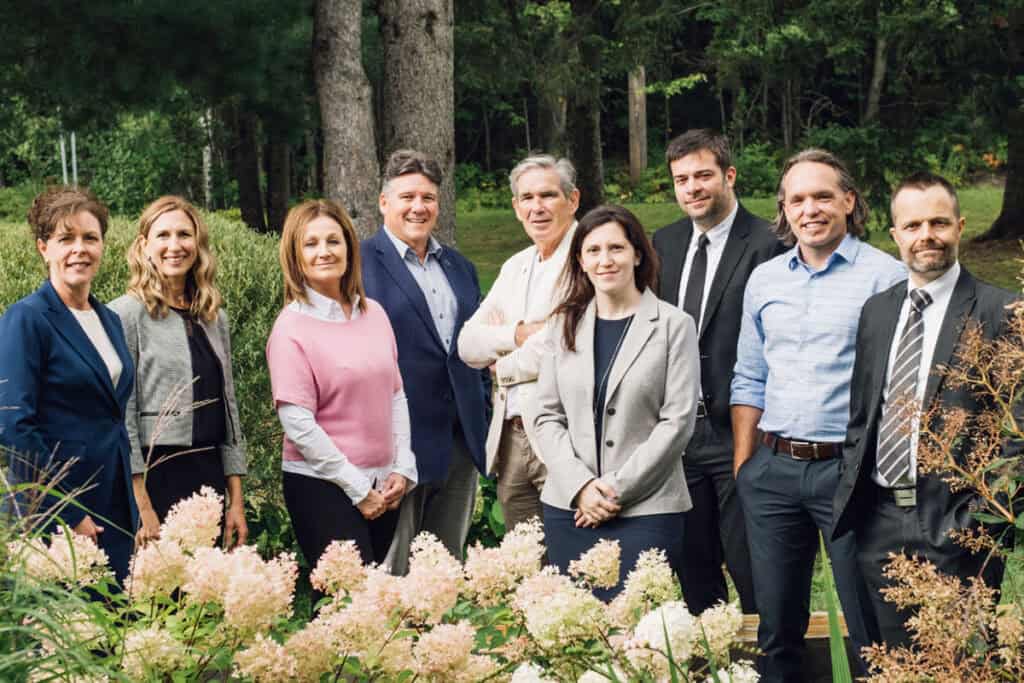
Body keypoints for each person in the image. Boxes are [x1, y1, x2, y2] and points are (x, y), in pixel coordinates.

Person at [731, 149, 905, 681]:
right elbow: (749, 376)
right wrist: (745, 467)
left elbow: (902, 387)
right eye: (798, 198)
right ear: (784, 210)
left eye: (823, 195)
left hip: (850, 473)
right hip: (774, 471)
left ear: (849, 202)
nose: (811, 208)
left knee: (867, 621)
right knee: (776, 627)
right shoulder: (764, 281)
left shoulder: (888, 277)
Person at [832, 172, 1020, 646]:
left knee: (962, 663)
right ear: (895, 235)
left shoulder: (1002, 312)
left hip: (958, 524)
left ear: (959, 226)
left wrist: (979, 516)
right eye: (913, 226)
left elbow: (1019, 434)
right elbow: (862, 419)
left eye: (938, 223)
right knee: (898, 662)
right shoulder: (876, 311)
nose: (926, 236)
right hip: (879, 524)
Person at [533, 204, 699, 597]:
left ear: (637, 254)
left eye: (616, 248)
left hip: (647, 509)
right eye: (593, 250)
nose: (605, 260)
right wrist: (581, 487)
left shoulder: (674, 326)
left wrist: (613, 491)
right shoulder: (563, 324)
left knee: (638, 635)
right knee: (576, 635)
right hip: (571, 508)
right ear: (580, 260)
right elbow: (545, 417)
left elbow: (677, 423)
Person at [652, 129, 784, 615]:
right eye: (681, 179)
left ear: (729, 175)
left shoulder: (770, 242)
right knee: (693, 569)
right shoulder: (663, 242)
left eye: (703, 175)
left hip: (743, 431)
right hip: (679, 433)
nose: (692, 188)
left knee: (753, 567)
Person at [266, 199, 417, 571]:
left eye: (333, 241)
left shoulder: (374, 314)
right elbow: (298, 424)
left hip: (384, 485)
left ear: (349, 246)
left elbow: (395, 395)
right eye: (311, 244)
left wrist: (403, 466)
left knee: (372, 604)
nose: (324, 252)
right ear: (295, 256)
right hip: (324, 487)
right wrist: (357, 487)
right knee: (345, 607)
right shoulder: (291, 328)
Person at [360, 149, 489, 575]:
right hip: (397, 443)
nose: (419, 207)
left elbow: (474, 346)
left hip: (459, 440)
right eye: (407, 196)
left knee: (443, 571)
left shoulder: (460, 267)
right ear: (384, 202)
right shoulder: (359, 266)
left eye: (429, 197)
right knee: (392, 572)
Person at [0, 187, 136, 582]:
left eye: (89, 238)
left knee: (111, 634)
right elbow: (13, 426)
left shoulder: (109, 320)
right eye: (66, 239)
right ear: (44, 248)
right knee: (65, 636)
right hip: (53, 509)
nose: (80, 249)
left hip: (112, 501)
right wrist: (70, 512)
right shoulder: (26, 319)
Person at [110, 196, 248, 549]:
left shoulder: (214, 317)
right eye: (163, 235)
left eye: (184, 235)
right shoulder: (125, 316)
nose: (175, 246)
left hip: (210, 476)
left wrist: (236, 501)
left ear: (198, 244)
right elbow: (121, 417)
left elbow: (229, 410)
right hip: (157, 475)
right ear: (145, 245)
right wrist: (142, 506)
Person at [458, 154, 580, 533]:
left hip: (567, 436)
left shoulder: (590, 256)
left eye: (548, 195)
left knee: (578, 562)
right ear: (515, 207)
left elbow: (565, 346)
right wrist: (519, 333)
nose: (537, 207)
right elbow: (467, 345)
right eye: (526, 198)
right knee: (527, 570)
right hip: (511, 438)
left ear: (573, 200)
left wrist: (502, 365)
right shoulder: (516, 266)